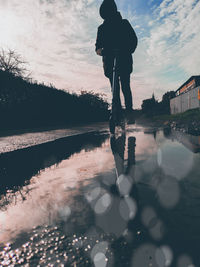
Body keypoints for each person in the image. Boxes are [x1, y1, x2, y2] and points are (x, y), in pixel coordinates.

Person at [95, 0, 138, 118]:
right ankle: (117, 111)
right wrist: (101, 51)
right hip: (109, 62)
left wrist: (128, 49)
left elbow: (133, 39)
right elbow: (97, 47)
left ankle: (129, 111)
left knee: (125, 85)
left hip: (124, 59)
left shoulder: (124, 23)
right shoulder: (101, 28)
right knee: (114, 87)